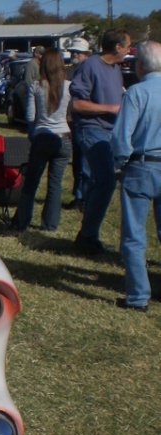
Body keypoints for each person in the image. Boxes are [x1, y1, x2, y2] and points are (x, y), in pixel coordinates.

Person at [69, 28, 130, 255]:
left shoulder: (115, 69)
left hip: (110, 132)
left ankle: (88, 235)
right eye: (126, 46)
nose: (128, 50)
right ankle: (86, 237)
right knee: (105, 181)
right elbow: (77, 105)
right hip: (92, 130)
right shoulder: (90, 66)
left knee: (100, 183)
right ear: (117, 47)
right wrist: (110, 108)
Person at [110, 41, 161, 311]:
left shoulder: (137, 92)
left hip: (142, 166)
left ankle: (138, 296)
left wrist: (121, 162)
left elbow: (121, 136)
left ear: (140, 64)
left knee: (134, 235)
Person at [10, 48, 72, 232]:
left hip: (42, 136)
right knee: (55, 183)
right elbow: (71, 114)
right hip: (63, 138)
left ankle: (21, 221)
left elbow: (30, 116)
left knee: (31, 183)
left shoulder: (36, 87)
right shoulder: (69, 86)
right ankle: (50, 224)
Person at [64, 37, 92, 212]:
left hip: (87, 121)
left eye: (78, 52)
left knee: (86, 162)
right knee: (77, 161)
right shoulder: (73, 70)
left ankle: (86, 198)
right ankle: (78, 195)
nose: (74, 54)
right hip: (75, 120)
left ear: (86, 54)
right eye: (73, 51)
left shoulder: (90, 70)